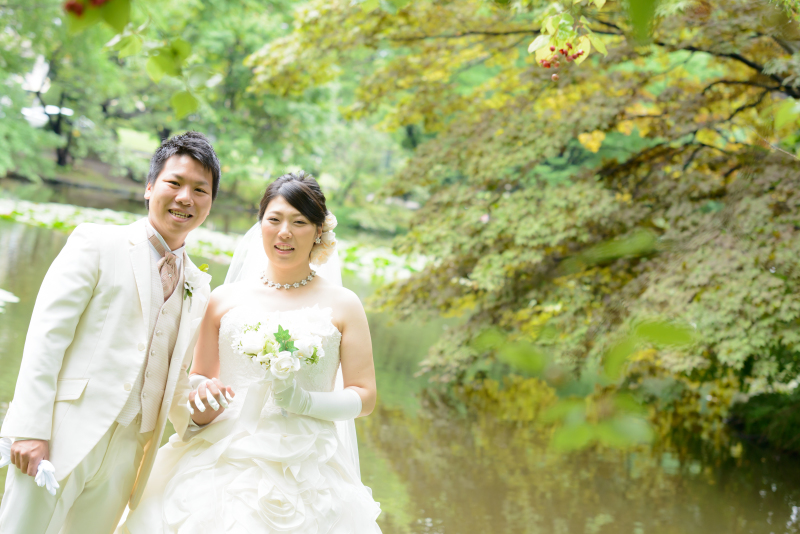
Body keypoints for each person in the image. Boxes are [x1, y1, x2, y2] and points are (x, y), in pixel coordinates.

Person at [119, 170, 382, 533]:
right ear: (260, 226)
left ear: (319, 231)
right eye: (273, 220)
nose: (284, 232)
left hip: (307, 462)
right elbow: (198, 377)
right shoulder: (224, 298)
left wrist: (306, 403)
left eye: (299, 222)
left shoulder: (345, 304)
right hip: (222, 451)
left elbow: (365, 397)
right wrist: (203, 398)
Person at [0, 132, 235, 533]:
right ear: (149, 187)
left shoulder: (198, 284)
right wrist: (29, 429)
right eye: (174, 183)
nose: (185, 198)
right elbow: (45, 339)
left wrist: (200, 415)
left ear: (210, 203)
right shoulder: (96, 242)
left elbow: (173, 379)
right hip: (60, 434)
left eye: (200, 190)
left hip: (129, 455)